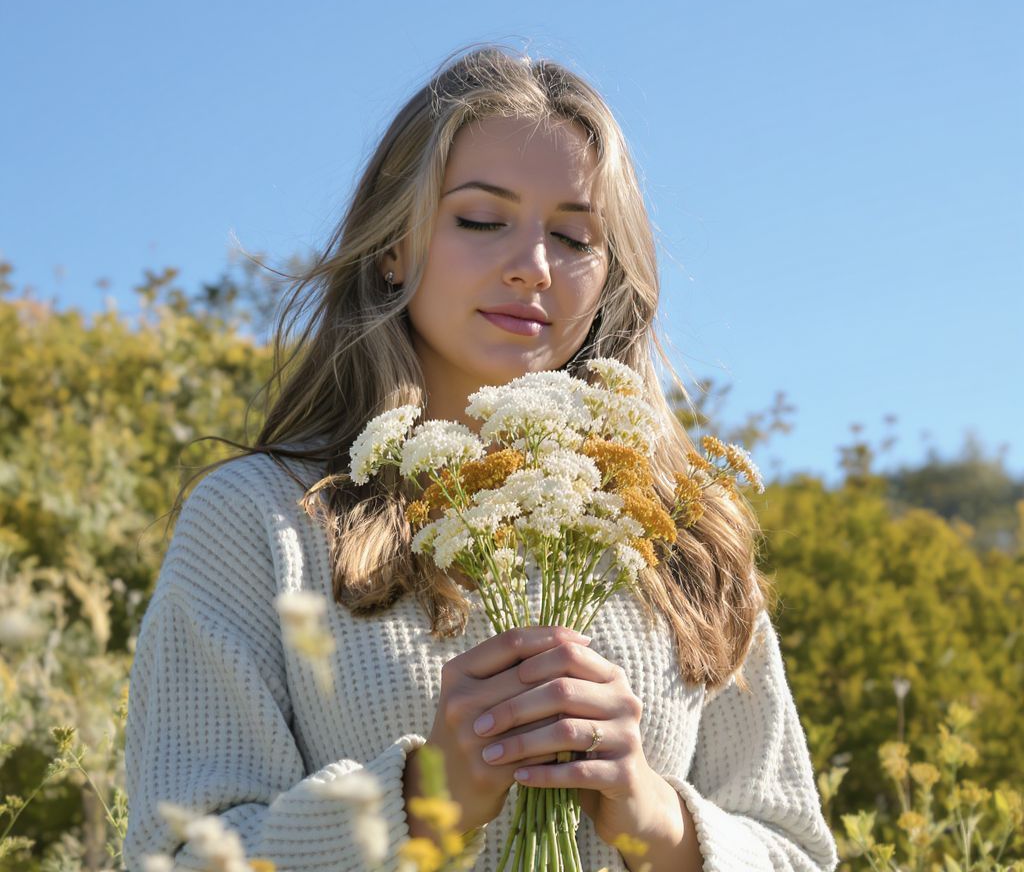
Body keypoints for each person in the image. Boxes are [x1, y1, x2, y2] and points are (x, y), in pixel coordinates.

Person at [124, 45, 839, 872]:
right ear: (393, 245)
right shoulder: (260, 520)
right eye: (480, 220)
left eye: (574, 236)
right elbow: (178, 854)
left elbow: (797, 854)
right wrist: (427, 798)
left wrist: (654, 818)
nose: (532, 267)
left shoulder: (683, 531)